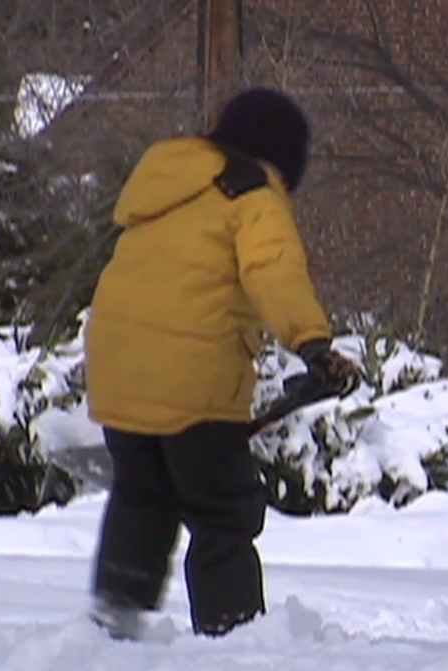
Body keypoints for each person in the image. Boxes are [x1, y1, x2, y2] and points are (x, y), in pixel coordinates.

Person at [82, 88, 359, 640]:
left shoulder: (169, 187)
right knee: (223, 514)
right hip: (192, 378)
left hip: (116, 369)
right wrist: (312, 343)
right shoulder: (252, 194)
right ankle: (233, 639)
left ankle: (115, 615)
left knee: (142, 493)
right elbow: (273, 273)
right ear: (284, 155)